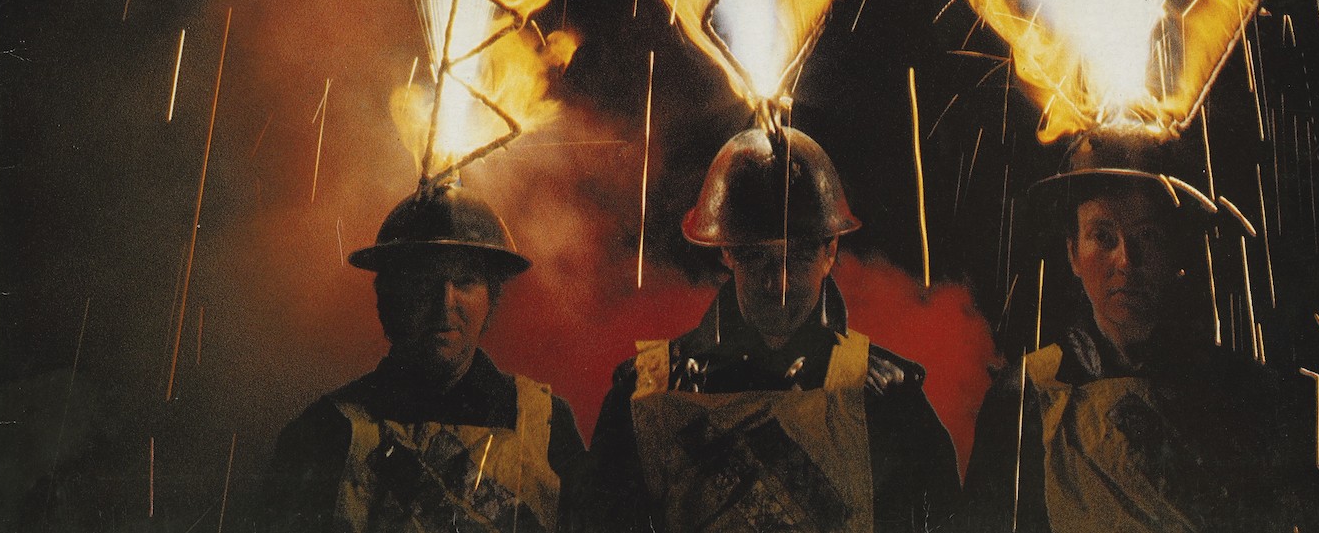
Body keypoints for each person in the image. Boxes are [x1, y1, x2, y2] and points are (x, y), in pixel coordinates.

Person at [574, 124, 961, 532]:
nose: (778, 283)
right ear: (726, 252)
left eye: (797, 257)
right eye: (758, 258)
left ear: (830, 252)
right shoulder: (644, 398)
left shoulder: (888, 403)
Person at [962, 131, 1319, 532]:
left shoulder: (1243, 390)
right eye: (1102, 237)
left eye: (1147, 236)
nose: (1125, 260)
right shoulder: (1025, 397)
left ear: (1177, 252)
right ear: (1073, 254)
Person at [258, 182, 584, 532]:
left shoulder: (547, 425)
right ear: (389, 296)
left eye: (465, 281)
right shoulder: (326, 432)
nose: (446, 302)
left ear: (491, 298)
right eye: (424, 281)